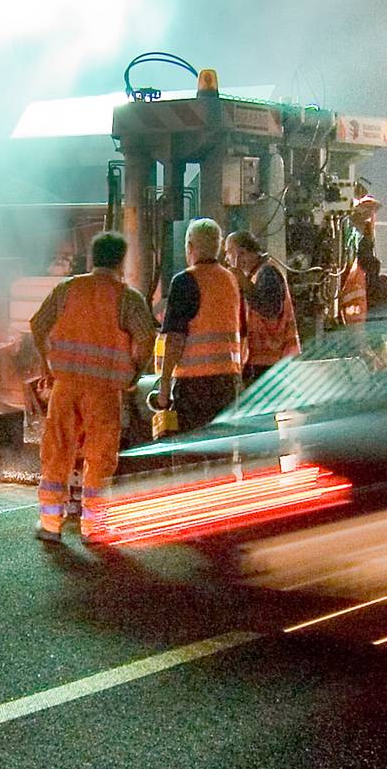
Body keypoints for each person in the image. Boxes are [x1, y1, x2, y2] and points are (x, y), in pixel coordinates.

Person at [30, 231, 154, 542]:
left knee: (57, 451)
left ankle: (50, 524)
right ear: (121, 262)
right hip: (105, 391)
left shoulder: (67, 289)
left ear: (91, 258)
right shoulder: (128, 297)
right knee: (99, 457)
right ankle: (93, 527)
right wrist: (134, 374)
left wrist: (47, 363)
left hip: (65, 386)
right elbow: (145, 338)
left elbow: (37, 324)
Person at [160, 218, 246, 428]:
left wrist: (164, 386)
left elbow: (175, 339)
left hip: (194, 385)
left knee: (192, 454)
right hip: (228, 382)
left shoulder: (184, 281)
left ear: (190, 246)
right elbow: (242, 333)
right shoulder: (231, 281)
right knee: (222, 450)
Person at [228, 230, 298, 392]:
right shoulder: (255, 275)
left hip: (270, 359)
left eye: (229, 253)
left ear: (242, 253)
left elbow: (270, 309)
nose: (227, 259)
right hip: (262, 360)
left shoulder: (267, 273)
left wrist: (242, 282)